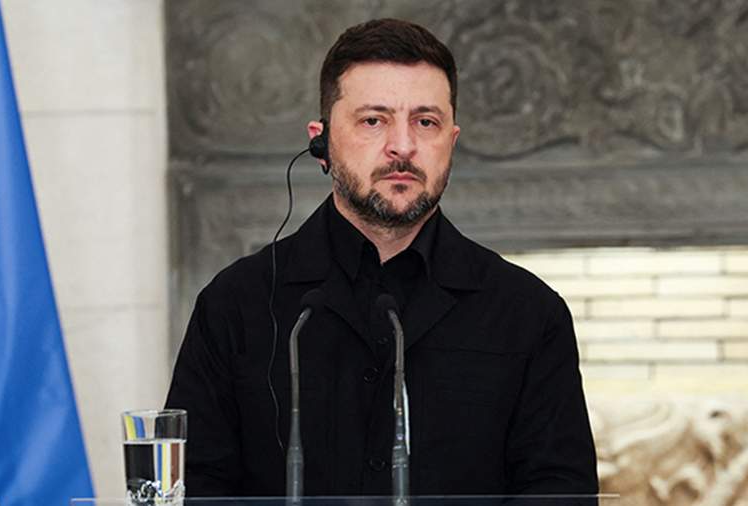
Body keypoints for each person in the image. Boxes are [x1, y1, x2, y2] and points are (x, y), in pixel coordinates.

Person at [165, 18, 598, 498]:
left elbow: (561, 491)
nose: (403, 146)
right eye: (374, 120)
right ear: (322, 143)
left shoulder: (529, 313)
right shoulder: (234, 304)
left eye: (425, 122)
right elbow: (194, 487)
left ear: (451, 142)